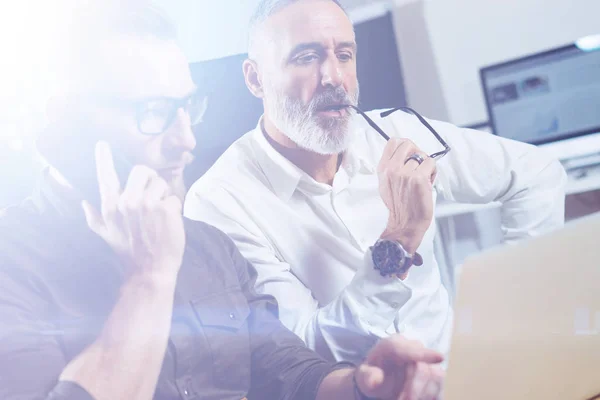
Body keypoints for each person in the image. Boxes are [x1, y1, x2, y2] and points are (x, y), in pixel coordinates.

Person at [0, 3, 446, 400]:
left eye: (187, 109)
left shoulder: (210, 247)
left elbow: (287, 373)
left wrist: (361, 386)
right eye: (153, 112)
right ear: (63, 124)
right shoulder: (12, 263)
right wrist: (149, 282)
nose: (185, 141)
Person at [184, 0, 567, 363]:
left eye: (344, 55)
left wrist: (519, 318)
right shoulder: (219, 201)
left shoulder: (398, 132)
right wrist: (399, 239)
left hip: (462, 378)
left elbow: (536, 174)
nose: (334, 78)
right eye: (306, 57)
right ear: (255, 79)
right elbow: (303, 352)